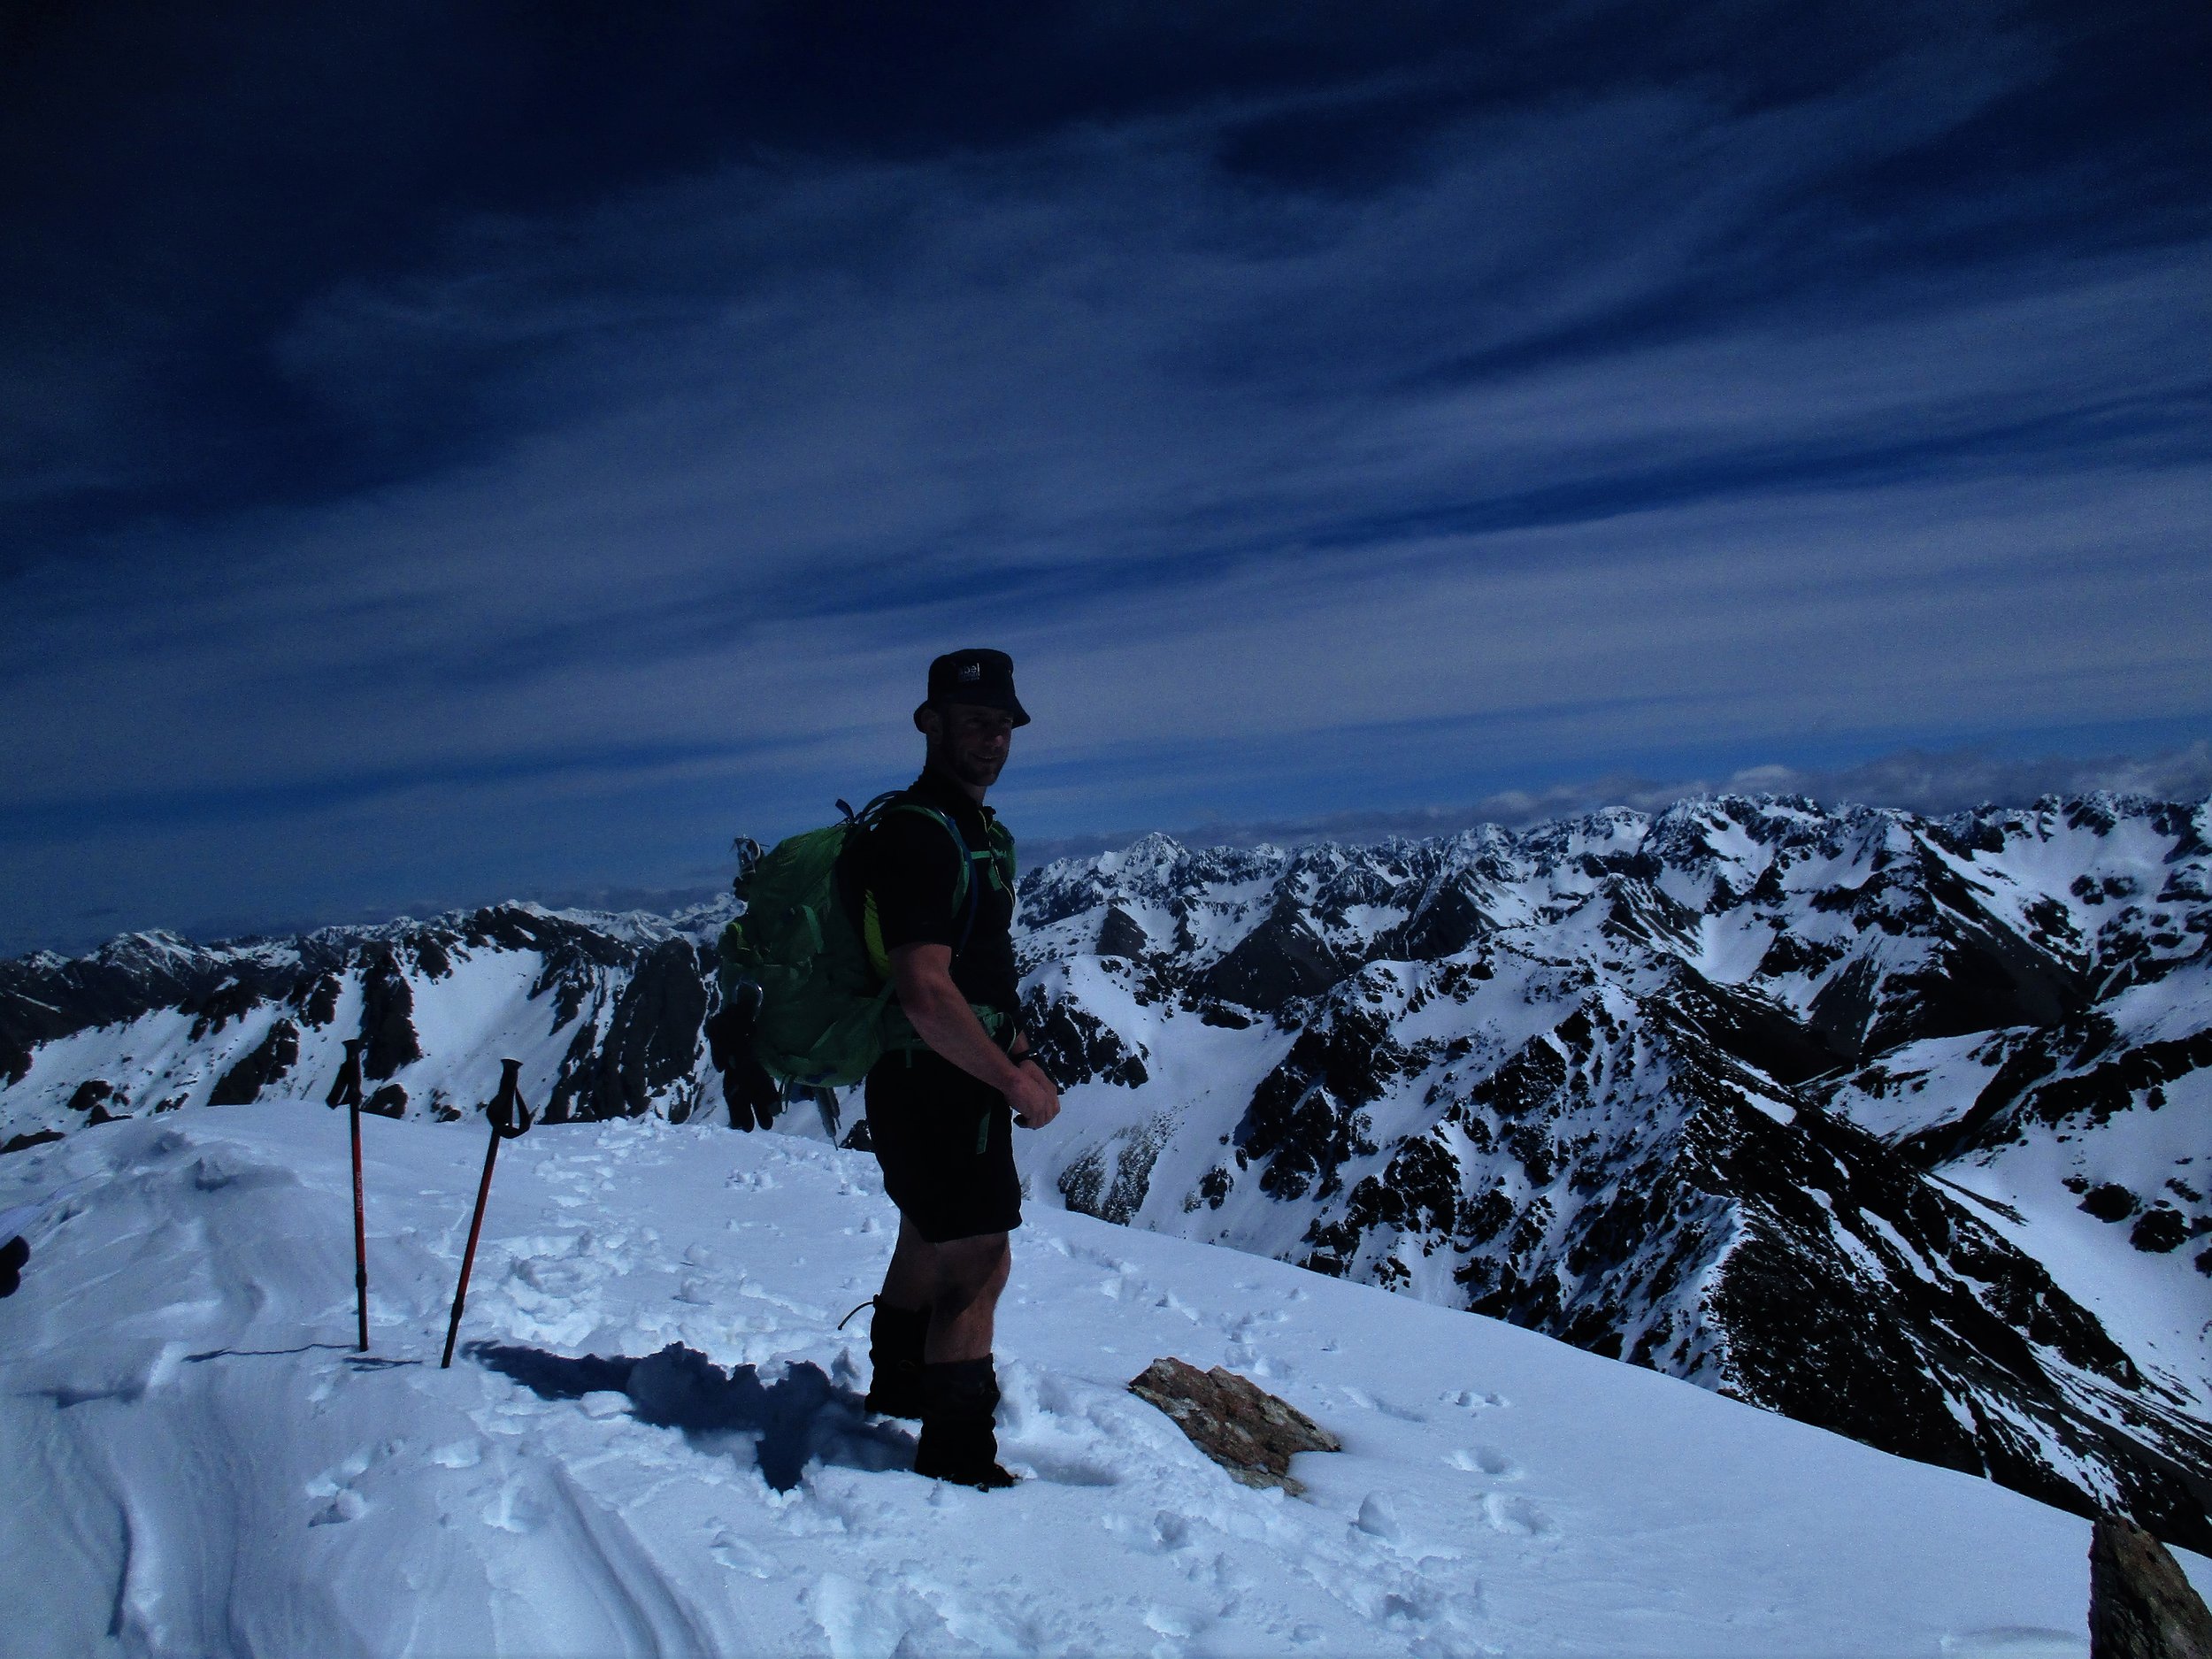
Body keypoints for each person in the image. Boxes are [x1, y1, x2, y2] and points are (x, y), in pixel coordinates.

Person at [848, 647, 1060, 1490]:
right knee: (978, 1261)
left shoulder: (970, 831)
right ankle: (958, 1453)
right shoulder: (920, 832)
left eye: (1004, 723)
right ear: (929, 723)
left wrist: (1014, 1050)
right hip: (936, 1082)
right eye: (975, 721)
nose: (994, 738)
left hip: (941, 1076)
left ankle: (899, 1384)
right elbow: (928, 991)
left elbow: (975, 970)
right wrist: (1010, 1082)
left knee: (928, 1238)